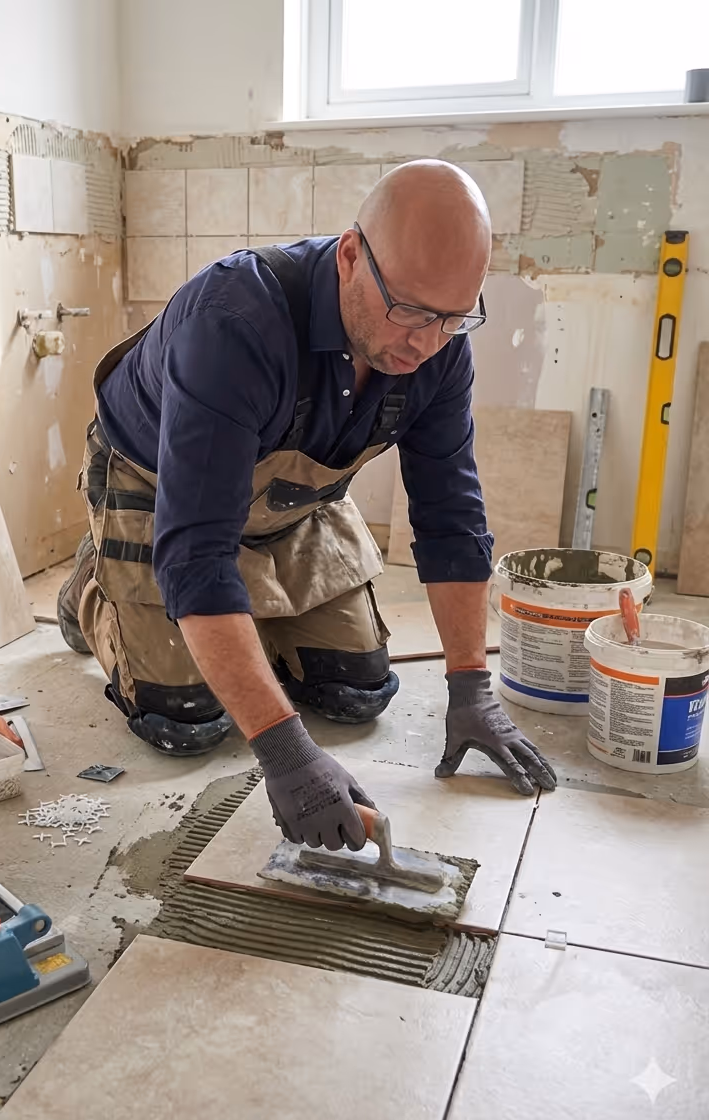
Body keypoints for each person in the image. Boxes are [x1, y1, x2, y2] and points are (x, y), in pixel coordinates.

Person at [58, 159, 556, 852]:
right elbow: (198, 551)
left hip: (291, 503)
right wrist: (285, 752)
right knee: (188, 721)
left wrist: (472, 687)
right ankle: (96, 585)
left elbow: (450, 514)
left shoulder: (438, 346)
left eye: (452, 316)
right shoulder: (235, 321)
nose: (425, 341)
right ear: (351, 256)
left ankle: (241, 621)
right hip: (155, 482)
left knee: (359, 694)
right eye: (409, 309)